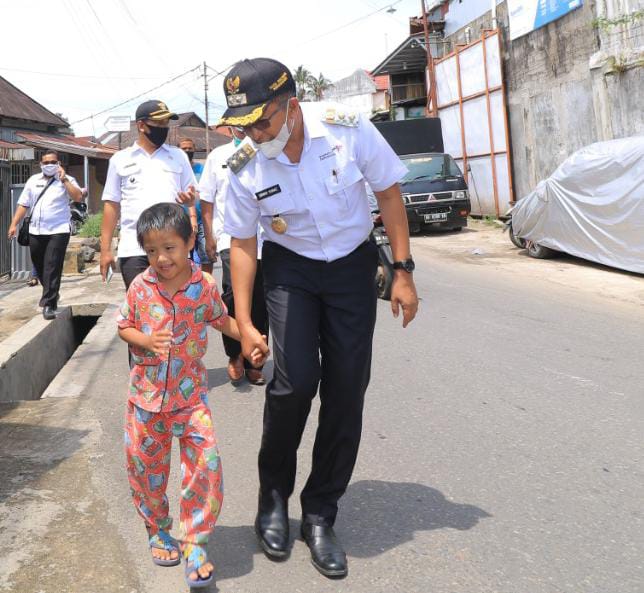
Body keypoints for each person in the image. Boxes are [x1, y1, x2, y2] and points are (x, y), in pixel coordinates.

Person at [217, 58, 419, 578]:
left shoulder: (347, 130)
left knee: (347, 389)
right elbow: (242, 244)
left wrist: (402, 270)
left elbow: (389, 193)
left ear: (293, 106)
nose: (255, 133)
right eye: (245, 125)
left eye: (262, 121)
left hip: (351, 266)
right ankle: (273, 499)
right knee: (292, 384)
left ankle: (321, 513)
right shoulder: (245, 165)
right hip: (290, 270)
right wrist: (243, 322)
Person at [116, 202, 267, 588]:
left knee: (205, 464)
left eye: (169, 247)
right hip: (146, 398)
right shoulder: (139, 286)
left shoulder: (203, 285)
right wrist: (146, 340)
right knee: (146, 469)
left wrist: (248, 337)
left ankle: (194, 542)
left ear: (189, 243)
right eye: (151, 251)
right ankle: (157, 529)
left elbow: (221, 320)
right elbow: (124, 327)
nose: (161, 258)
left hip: (191, 398)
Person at [100, 100, 197, 290]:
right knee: (144, 309)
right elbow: (111, 206)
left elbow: (193, 194)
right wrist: (105, 251)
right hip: (134, 249)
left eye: (166, 124)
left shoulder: (178, 156)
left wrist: (191, 200)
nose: (164, 128)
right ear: (142, 125)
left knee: (176, 305)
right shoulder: (120, 160)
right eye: (159, 124)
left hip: (172, 247)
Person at [199, 129, 269, 386]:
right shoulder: (219, 156)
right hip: (231, 238)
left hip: (266, 238)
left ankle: (255, 359)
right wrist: (209, 236)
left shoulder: (269, 149)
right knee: (231, 296)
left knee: (260, 298)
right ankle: (234, 355)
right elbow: (207, 200)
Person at [7, 150, 83, 319]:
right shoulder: (33, 181)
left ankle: (49, 303)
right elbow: (23, 204)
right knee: (40, 265)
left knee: (52, 266)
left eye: (53, 162)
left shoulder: (67, 180)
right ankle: (52, 293)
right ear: (41, 164)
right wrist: (14, 224)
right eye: (46, 162)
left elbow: (78, 197)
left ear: (58, 163)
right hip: (36, 230)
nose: (50, 165)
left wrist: (63, 179)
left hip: (58, 230)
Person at [178, 137, 213, 274]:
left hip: (201, 219)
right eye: (184, 149)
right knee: (181, 255)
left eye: (190, 149)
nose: (187, 151)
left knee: (207, 255)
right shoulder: (176, 171)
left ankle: (207, 285)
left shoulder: (202, 169)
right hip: (181, 220)